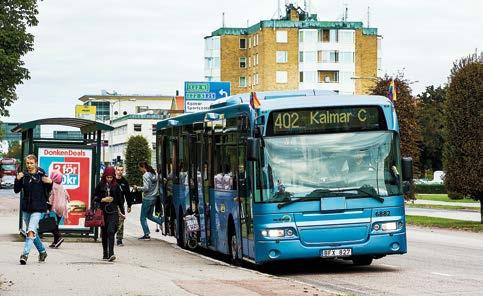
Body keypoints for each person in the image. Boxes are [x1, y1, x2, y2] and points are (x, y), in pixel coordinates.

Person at [14, 154, 52, 265]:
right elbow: (16, 190)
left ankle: (24, 255)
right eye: (27, 163)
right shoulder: (24, 175)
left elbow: (48, 189)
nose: (29, 165)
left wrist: (50, 182)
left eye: (31, 163)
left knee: (30, 231)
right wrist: (17, 179)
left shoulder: (41, 175)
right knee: (32, 232)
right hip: (26, 208)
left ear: (35, 163)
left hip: (38, 208)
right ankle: (42, 251)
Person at [93, 166, 124, 262]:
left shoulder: (116, 186)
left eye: (111, 177)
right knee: (105, 232)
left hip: (113, 211)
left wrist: (122, 212)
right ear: (105, 176)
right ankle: (105, 253)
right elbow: (94, 197)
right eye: (108, 177)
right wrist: (103, 199)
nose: (109, 179)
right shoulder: (100, 185)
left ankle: (111, 253)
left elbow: (120, 200)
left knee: (111, 230)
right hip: (103, 211)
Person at [134, 161, 162, 241]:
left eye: (139, 168)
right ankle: (162, 221)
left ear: (142, 167)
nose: (139, 170)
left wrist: (138, 188)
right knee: (149, 215)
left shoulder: (145, 175)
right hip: (154, 198)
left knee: (142, 217)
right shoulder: (154, 174)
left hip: (147, 198)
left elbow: (146, 188)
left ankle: (146, 234)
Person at [48, 170, 70, 248]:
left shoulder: (52, 186)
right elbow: (67, 196)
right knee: (55, 224)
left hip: (55, 207)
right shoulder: (61, 186)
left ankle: (59, 237)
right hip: (62, 208)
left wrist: (48, 206)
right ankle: (55, 241)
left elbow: (51, 197)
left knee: (51, 224)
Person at [114, 165, 131, 246]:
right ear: (115, 171)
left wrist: (129, 205)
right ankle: (107, 236)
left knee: (121, 221)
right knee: (110, 221)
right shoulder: (112, 180)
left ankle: (119, 239)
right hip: (111, 204)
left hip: (120, 204)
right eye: (118, 170)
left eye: (121, 170)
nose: (120, 172)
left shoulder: (125, 182)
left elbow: (128, 194)